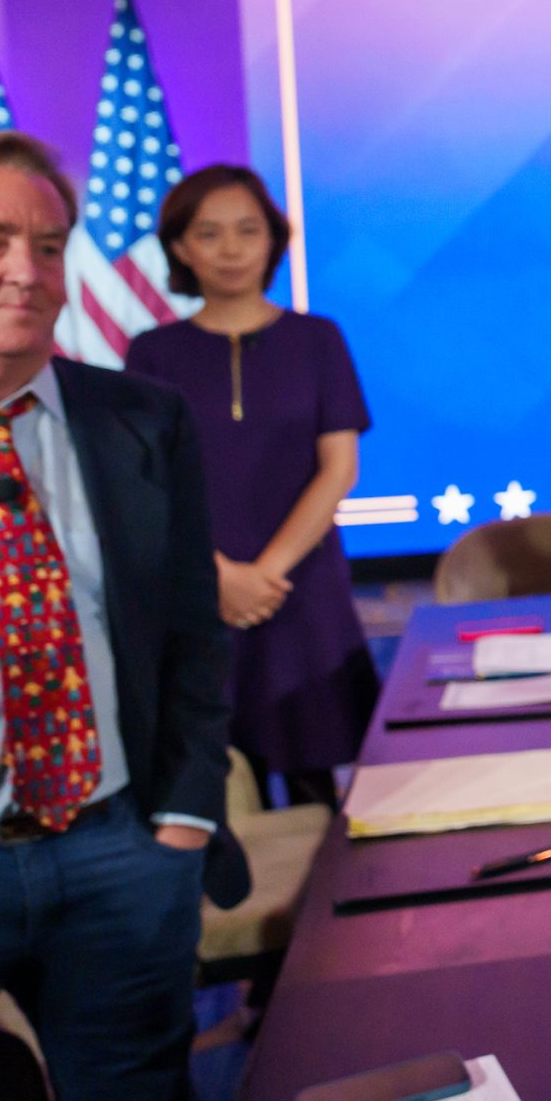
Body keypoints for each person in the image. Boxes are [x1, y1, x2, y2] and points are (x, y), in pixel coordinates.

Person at [0, 131, 235, 1101]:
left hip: (118, 854)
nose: (28, 271)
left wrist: (186, 817)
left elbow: (192, 637)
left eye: (49, 246)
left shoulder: (139, 418)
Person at [127, 165, 372, 801]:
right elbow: (146, 483)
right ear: (180, 248)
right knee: (224, 785)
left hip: (301, 585)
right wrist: (219, 578)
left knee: (322, 784)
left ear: (273, 240)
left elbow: (338, 467)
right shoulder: (151, 354)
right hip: (200, 590)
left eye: (247, 230)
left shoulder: (318, 340)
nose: (231, 249)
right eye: (208, 233)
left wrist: (265, 575)